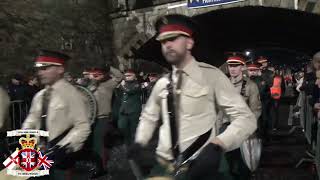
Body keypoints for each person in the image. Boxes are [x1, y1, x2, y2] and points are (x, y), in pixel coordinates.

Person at [128, 14, 256, 180]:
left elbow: (246, 118)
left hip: (202, 164)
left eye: (173, 38)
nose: (167, 44)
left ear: (189, 42)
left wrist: (219, 144)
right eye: (163, 41)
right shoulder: (162, 83)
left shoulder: (211, 76)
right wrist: (140, 140)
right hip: (165, 165)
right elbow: (149, 116)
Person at [22, 49, 91, 179]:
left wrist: (65, 148)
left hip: (60, 158)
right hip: (38, 154)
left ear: (60, 69)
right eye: (38, 69)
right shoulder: (39, 96)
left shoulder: (72, 94)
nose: (40, 72)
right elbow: (31, 120)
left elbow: (82, 126)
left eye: (45, 68)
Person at [218, 56, 261, 180]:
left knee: (243, 163)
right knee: (228, 162)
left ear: (242, 67)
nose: (232, 68)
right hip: (226, 128)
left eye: (236, 66)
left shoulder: (250, 86)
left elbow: (256, 109)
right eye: (230, 66)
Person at [87, 63, 123, 172]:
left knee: (100, 144)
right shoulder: (90, 86)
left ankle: (101, 167)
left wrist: (109, 67)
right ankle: (97, 164)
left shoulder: (108, 84)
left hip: (103, 117)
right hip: (91, 119)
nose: (96, 75)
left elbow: (119, 77)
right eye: (94, 74)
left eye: (98, 73)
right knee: (94, 143)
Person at [117, 69, 142, 145]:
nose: (127, 77)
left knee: (133, 130)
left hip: (133, 111)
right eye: (126, 76)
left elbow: (129, 91)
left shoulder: (137, 84)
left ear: (134, 77)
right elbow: (119, 95)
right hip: (124, 110)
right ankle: (127, 144)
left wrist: (122, 85)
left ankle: (133, 147)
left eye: (129, 75)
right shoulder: (124, 84)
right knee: (122, 127)